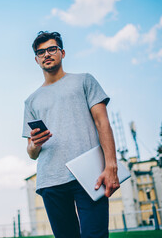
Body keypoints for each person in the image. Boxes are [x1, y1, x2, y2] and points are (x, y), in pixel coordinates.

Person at [22, 31, 120, 238]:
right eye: (41, 52)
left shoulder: (85, 81)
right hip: (50, 181)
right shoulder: (31, 101)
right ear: (36, 59)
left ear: (62, 52)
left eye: (51, 49)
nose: (46, 54)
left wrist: (111, 166)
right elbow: (31, 152)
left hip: (90, 175)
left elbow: (103, 123)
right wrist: (34, 144)